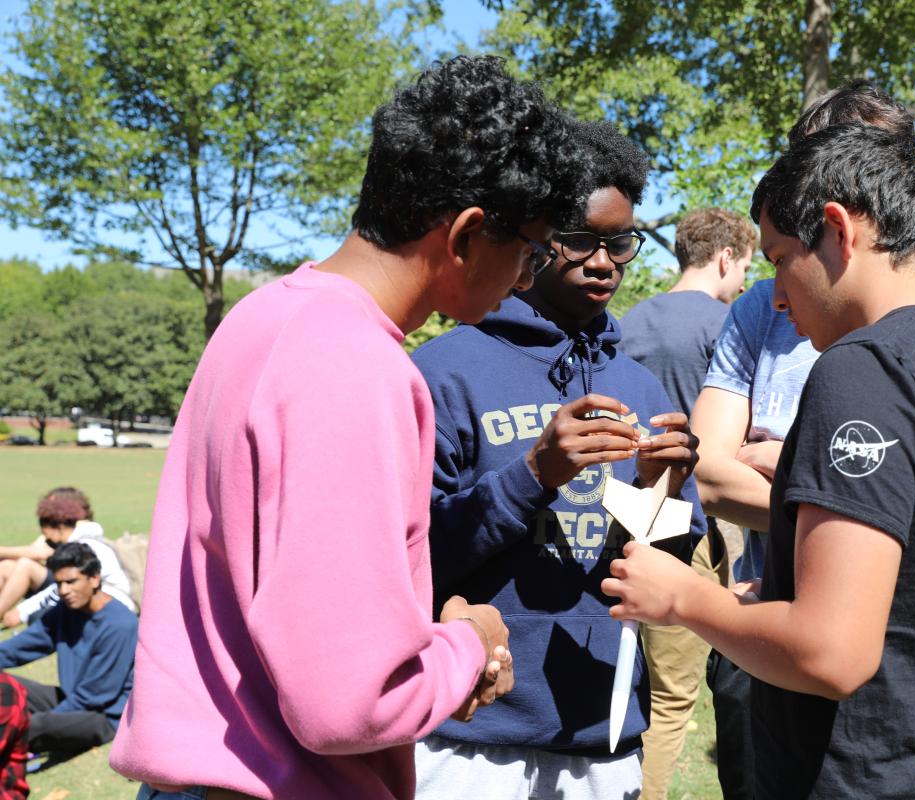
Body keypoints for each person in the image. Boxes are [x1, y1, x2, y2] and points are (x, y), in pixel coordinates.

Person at [108, 55, 589, 800]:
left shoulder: (264, 318)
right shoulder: (354, 364)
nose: (526, 281)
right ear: (465, 235)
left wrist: (424, 640)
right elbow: (349, 702)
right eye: (528, 252)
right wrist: (471, 645)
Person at [604, 122, 915, 799]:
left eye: (781, 258)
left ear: (839, 230)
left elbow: (832, 651)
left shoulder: (865, 369)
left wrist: (686, 598)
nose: (777, 296)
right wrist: (772, 605)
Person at [411, 119, 707, 800]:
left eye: (620, 243)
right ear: (535, 237)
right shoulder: (446, 371)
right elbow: (409, 558)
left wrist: (664, 491)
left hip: (599, 742)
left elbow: (653, 570)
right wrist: (534, 475)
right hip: (468, 738)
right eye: (579, 239)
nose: (603, 262)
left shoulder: (638, 385)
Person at [616, 206, 756, 800]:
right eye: (745, 266)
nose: (745, 281)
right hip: (700, 525)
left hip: (629, 509)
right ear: (726, 258)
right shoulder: (729, 326)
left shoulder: (625, 321)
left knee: (632, 677)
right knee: (676, 694)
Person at [0, 542, 137, 759]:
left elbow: (95, 695)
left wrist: (51, 717)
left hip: (103, 716)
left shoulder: (120, 625)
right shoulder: (65, 611)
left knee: (33, 725)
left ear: (94, 578)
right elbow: (22, 645)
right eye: (59, 583)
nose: (64, 591)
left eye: (71, 582)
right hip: (72, 698)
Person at [0, 488, 135, 629]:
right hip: (101, 600)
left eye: (46, 531)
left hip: (110, 606)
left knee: (39, 616)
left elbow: (67, 585)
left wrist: (22, 612)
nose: (46, 537)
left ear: (60, 526)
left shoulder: (83, 547)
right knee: (8, 568)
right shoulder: (79, 538)